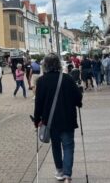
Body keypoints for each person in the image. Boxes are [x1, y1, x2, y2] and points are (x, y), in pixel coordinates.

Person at [34, 54, 83, 183]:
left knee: (55, 146)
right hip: (67, 118)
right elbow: (78, 96)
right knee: (68, 146)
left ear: (45, 65)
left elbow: (38, 103)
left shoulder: (41, 81)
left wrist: (36, 120)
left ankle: (60, 171)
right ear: (58, 65)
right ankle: (67, 174)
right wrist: (78, 103)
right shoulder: (67, 78)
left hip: (51, 122)